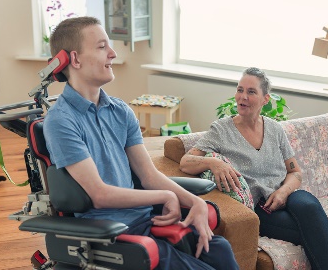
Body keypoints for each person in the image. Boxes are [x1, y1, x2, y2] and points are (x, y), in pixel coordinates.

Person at [43, 16, 239, 270]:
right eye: (102, 47)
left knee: (219, 249)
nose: (113, 53)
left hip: (147, 219)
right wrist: (166, 196)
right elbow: (99, 195)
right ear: (75, 59)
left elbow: (148, 175)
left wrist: (196, 202)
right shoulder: (61, 120)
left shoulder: (120, 110)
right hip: (111, 232)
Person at [180, 67, 328, 270]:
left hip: (287, 195)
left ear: (265, 99)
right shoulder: (221, 130)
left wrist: (283, 192)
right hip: (261, 208)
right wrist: (214, 162)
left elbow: (295, 172)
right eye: (240, 90)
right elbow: (185, 163)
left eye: (251, 92)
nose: (243, 97)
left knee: (309, 207)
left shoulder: (275, 129)